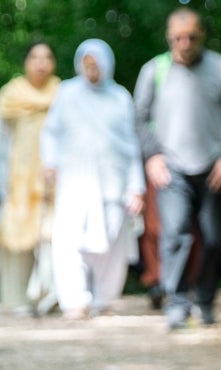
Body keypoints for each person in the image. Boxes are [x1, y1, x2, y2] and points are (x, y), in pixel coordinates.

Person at [132, 8, 221, 329]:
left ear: (203, 36)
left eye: (192, 37)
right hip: (171, 169)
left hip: (214, 168)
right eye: (178, 38)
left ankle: (206, 299)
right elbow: (139, 117)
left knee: (212, 239)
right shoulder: (154, 70)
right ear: (168, 37)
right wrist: (152, 155)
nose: (185, 43)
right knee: (175, 234)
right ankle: (178, 301)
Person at [40, 38, 144, 318]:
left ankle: (103, 299)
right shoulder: (67, 92)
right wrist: (49, 163)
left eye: (96, 65)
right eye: (86, 65)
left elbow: (131, 144)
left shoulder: (121, 97)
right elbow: (50, 132)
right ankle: (74, 300)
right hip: (73, 182)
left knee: (110, 243)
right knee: (68, 242)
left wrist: (136, 186)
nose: (91, 70)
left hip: (113, 183)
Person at [0, 40, 59, 315]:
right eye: (35, 57)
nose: (41, 63)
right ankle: (16, 300)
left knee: (50, 238)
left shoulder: (62, 93)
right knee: (15, 237)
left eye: (46, 57)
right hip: (15, 179)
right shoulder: (11, 94)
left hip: (53, 179)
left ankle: (50, 296)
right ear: (26, 62)